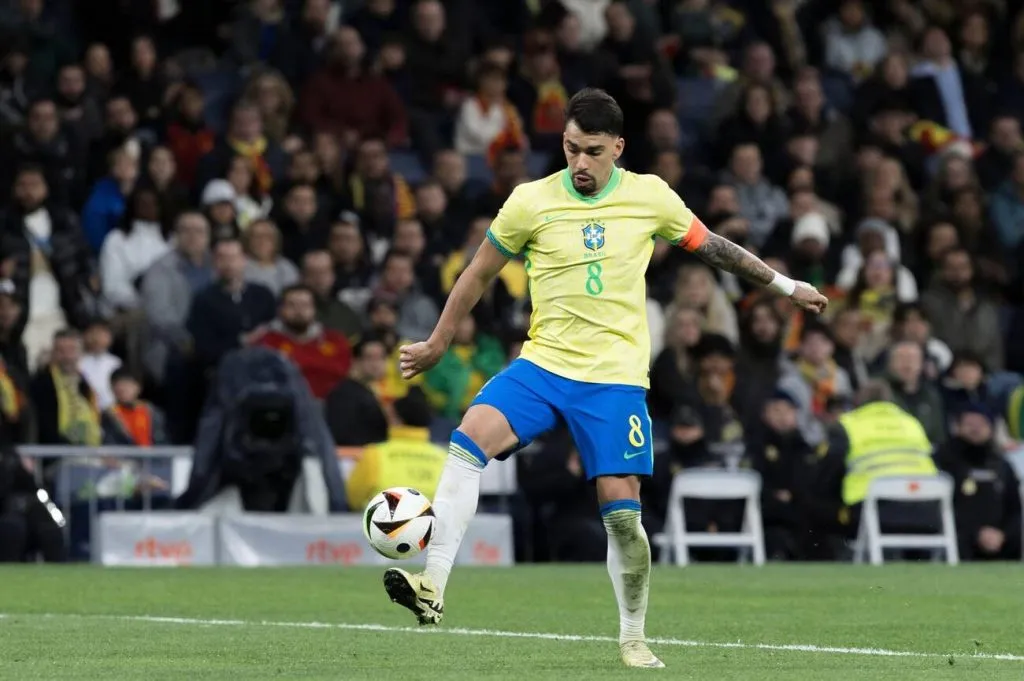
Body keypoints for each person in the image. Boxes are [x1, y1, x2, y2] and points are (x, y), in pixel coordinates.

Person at [383, 88, 827, 668]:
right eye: (571, 149)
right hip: (543, 365)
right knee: (468, 439)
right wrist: (439, 341)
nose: (580, 163)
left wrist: (786, 288)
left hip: (615, 379)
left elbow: (715, 248)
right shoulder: (530, 202)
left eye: (593, 151)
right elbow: (477, 273)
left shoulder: (650, 197)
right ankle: (432, 588)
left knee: (622, 516)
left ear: (618, 147)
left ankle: (633, 634)